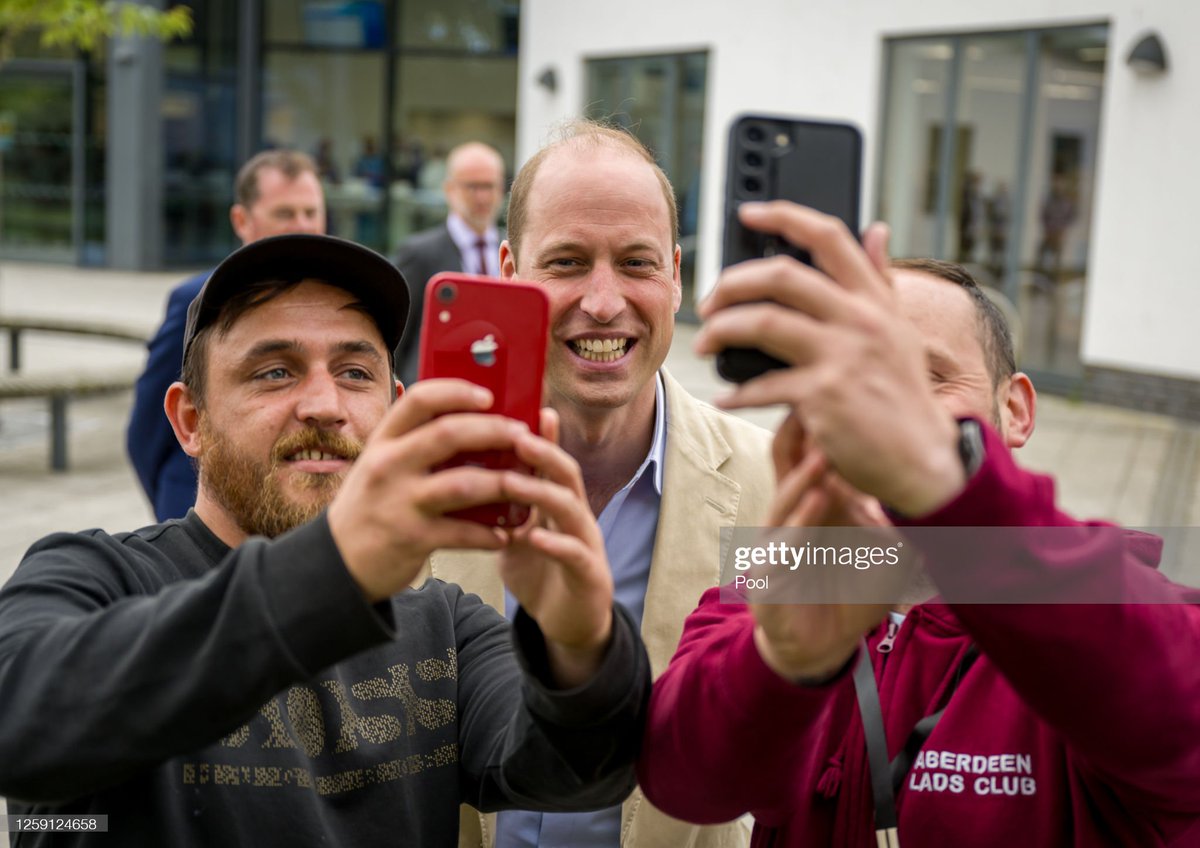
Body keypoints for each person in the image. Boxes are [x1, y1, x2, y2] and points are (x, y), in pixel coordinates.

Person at [0, 234, 651, 846]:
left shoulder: (444, 625)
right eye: (275, 372)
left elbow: (579, 770)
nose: (324, 404)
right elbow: (21, 719)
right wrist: (337, 569)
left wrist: (579, 644)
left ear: (396, 408)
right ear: (190, 420)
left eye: (355, 373)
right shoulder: (96, 576)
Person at [637, 202, 1200, 846]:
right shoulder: (773, 590)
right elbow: (684, 781)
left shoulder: (1104, 601)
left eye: (924, 378)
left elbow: (1179, 717)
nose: (883, 410)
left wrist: (948, 488)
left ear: (1014, 409)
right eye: (858, 380)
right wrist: (781, 661)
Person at [432, 121, 773, 848]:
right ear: (507, 270)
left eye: (637, 263)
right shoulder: (417, 478)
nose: (604, 300)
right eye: (566, 262)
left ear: (676, 276)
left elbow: (954, 586)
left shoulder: (770, 483)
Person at [127, 149, 327, 521]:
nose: (303, 225)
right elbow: (146, 430)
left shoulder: (335, 307)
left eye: (311, 212)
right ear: (241, 220)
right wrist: (174, 515)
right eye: (285, 213)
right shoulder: (198, 301)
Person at [392, 141, 508, 386]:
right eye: (472, 187)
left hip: (497, 385)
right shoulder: (420, 253)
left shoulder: (513, 249)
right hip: (434, 388)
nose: (483, 196)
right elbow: (397, 338)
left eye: (489, 186)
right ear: (449, 190)